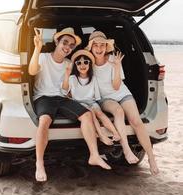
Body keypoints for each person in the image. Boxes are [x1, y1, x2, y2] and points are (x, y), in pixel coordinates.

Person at [29, 27, 111, 182]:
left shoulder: (69, 63)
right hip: (44, 97)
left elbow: (72, 85)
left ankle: (94, 155)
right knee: (44, 121)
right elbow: (32, 71)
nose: (67, 47)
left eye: (71, 45)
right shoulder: (43, 57)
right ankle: (39, 163)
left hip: (62, 98)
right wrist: (37, 48)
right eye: (64, 42)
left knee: (87, 115)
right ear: (56, 41)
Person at [85, 31, 159, 175]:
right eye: (96, 45)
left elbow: (117, 86)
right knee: (118, 111)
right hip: (105, 98)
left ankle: (151, 158)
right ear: (91, 47)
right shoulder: (88, 62)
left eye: (102, 45)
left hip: (122, 93)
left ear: (107, 46)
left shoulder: (113, 59)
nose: (99, 48)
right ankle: (126, 149)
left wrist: (117, 67)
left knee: (136, 121)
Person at [61, 49, 121, 146]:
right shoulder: (72, 79)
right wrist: (67, 75)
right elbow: (64, 91)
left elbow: (96, 96)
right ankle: (101, 135)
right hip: (79, 103)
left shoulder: (93, 79)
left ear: (89, 65)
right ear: (75, 66)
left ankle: (115, 133)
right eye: (79, 63)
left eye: (85, 62)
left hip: (92, 102)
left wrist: (96, 105)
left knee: (99, 113)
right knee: (92, 113)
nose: (82, 65)